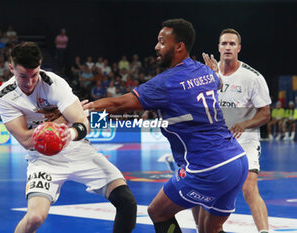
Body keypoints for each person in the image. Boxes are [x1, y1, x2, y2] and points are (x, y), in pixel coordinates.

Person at [84, 19, 248, 233]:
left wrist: (82, 109)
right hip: (237, 160)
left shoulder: (167, 82)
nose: (156, 47)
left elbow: (118, 103)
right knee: (209, 230)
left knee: (158, 212)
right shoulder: (204, 71)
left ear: (179, 46)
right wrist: (215, 74)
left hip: (207, 166)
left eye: (162, 42)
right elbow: (217, 83)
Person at [0, 42, 136, 233]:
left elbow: (83, 123)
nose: (29, 82)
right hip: (42, 158)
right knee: (35, 217)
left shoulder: (54, 83)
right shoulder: (4, 96)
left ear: (40, 66)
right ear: (11, 69)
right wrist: (62, 118)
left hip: (77, 149)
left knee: (127, 202)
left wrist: (69, 132)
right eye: (22, 76)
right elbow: (27, 141)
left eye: (34, 75)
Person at [197, 28, 271, 233]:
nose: (228, 47)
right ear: (218, 47)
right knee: (203, 188)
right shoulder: (207, 75)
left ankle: (264, 231)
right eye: (224, 43)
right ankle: (202, 229)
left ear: (238, 48)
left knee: (248, 187)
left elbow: (265, 114)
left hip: (245, 139)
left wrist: (243, 124)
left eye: (232, 44)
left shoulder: (253, 77)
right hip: (217, 142)